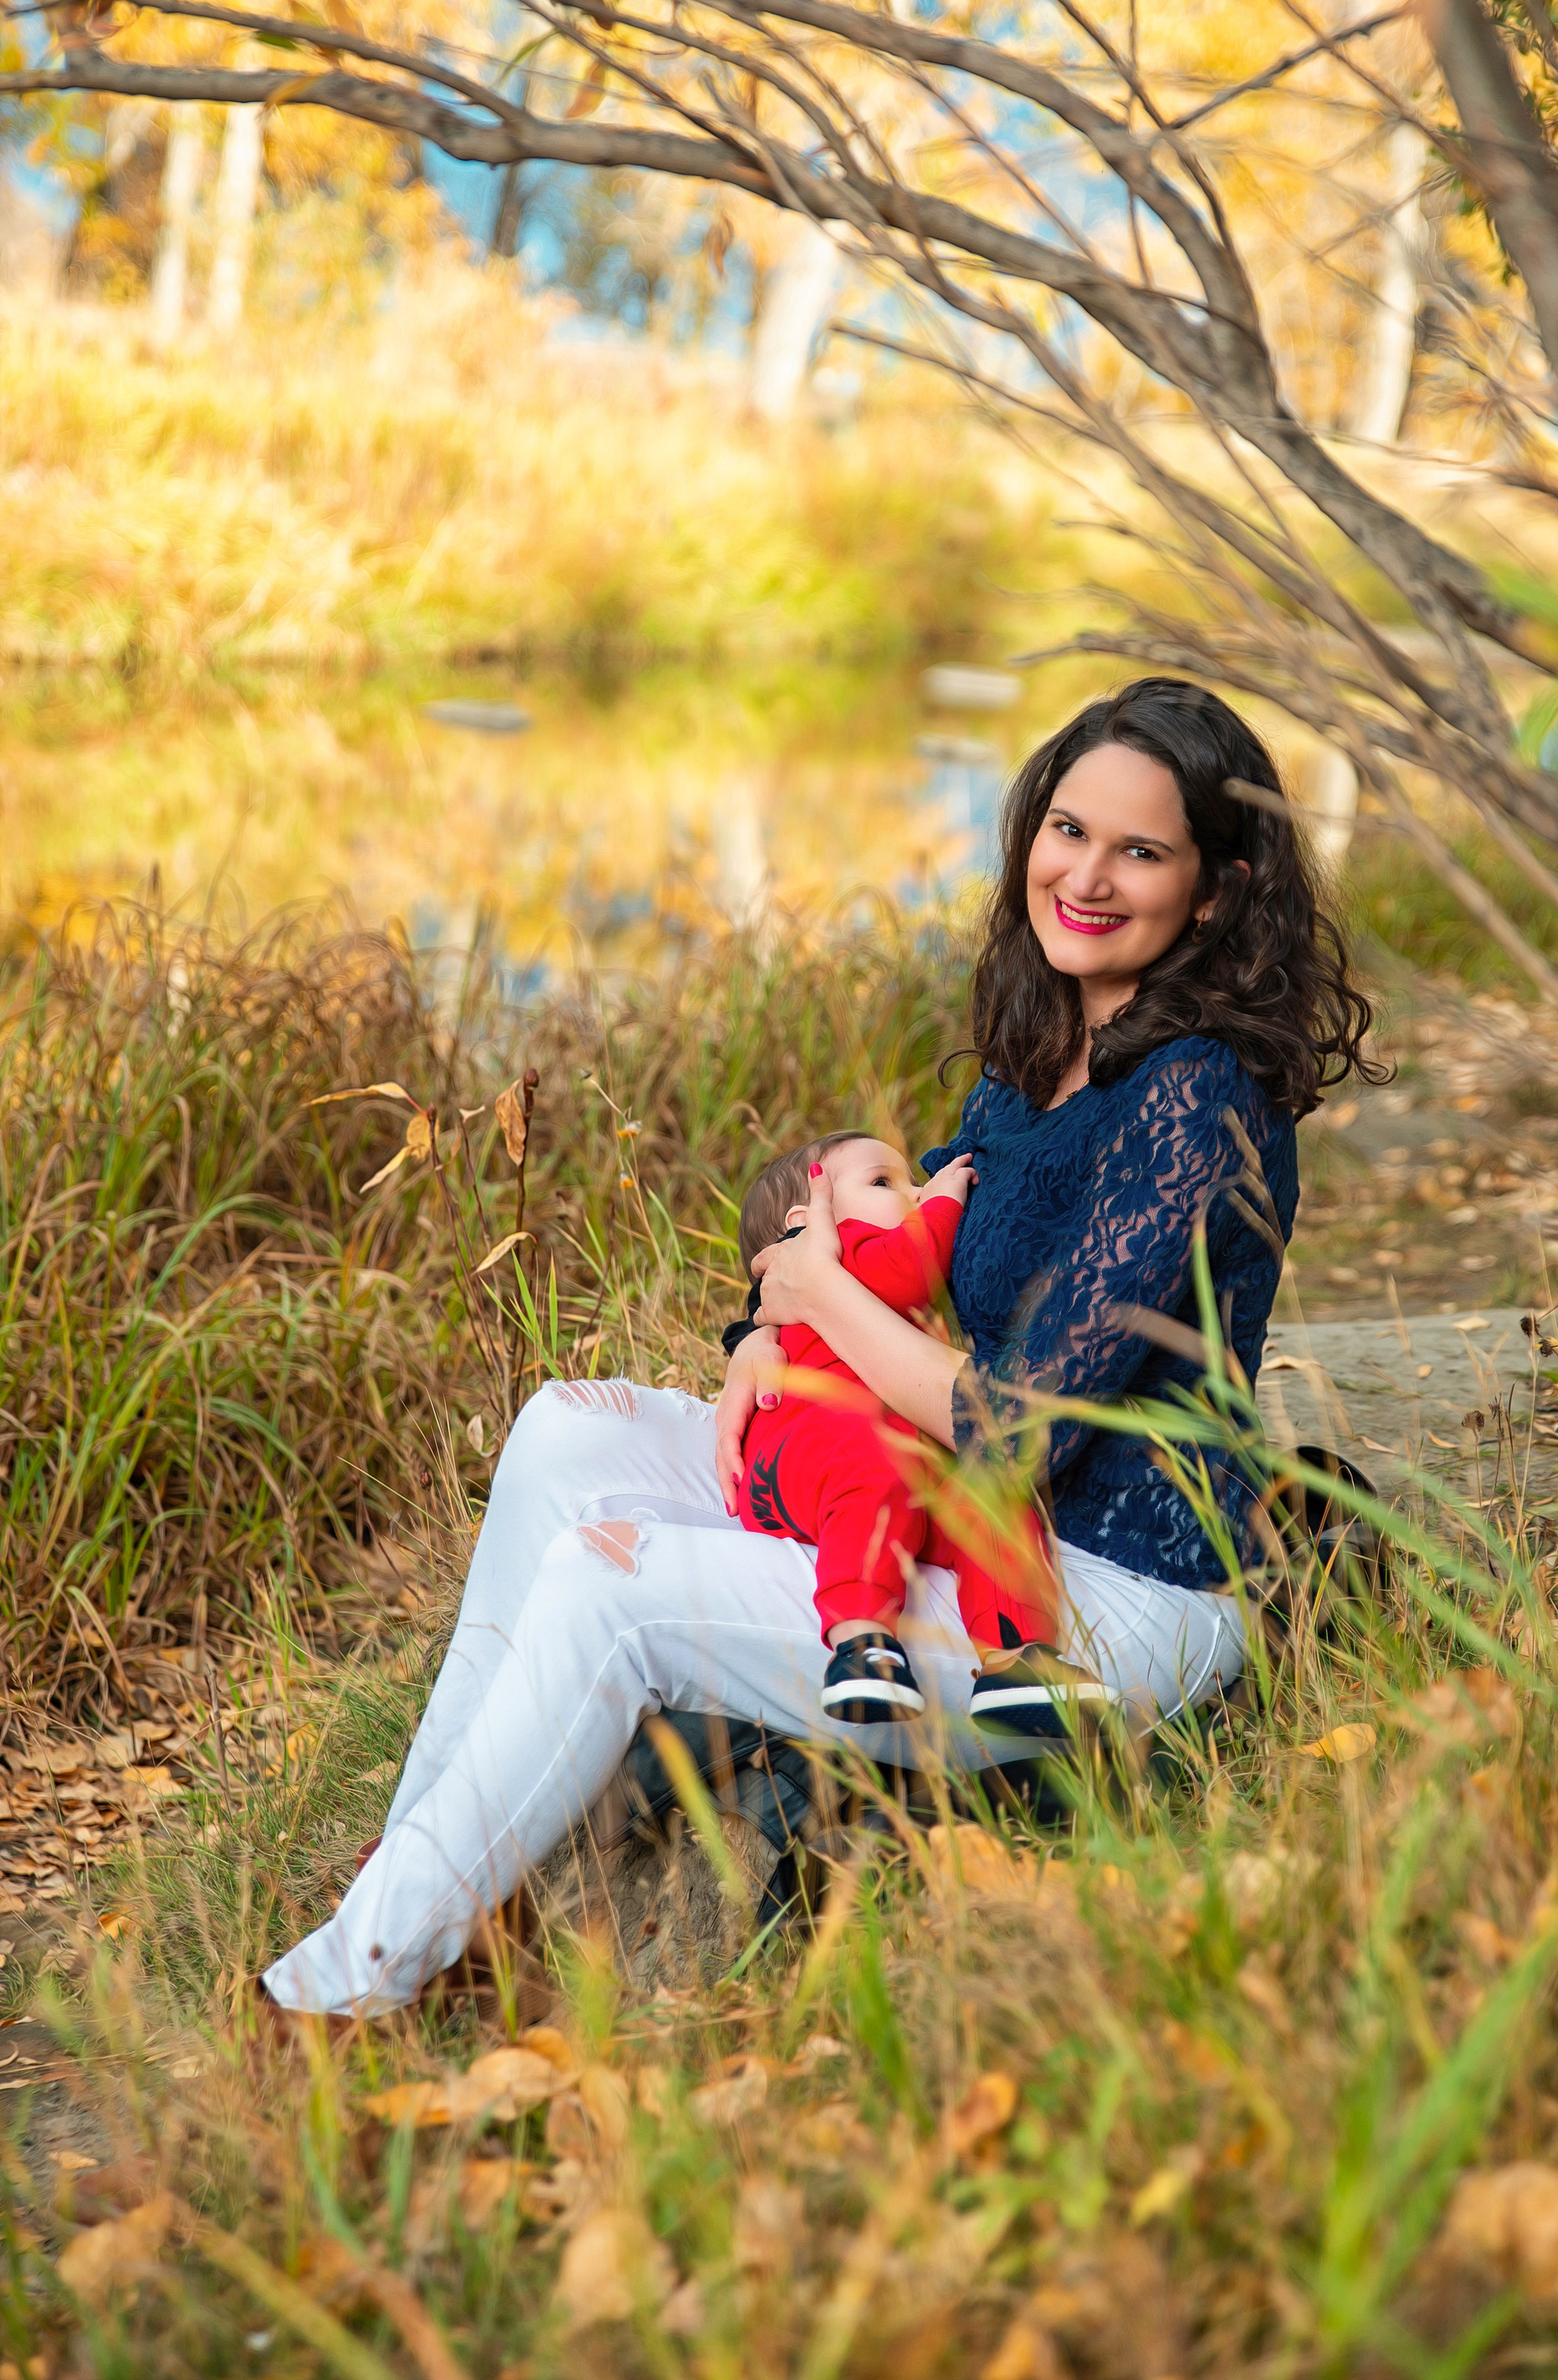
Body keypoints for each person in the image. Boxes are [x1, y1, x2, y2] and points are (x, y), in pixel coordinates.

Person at [263, 676, 1377, 2016]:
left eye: (1140, 850)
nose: (1085, 874)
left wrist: (815, 1302)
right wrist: (760, 1333)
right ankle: (427, 1868)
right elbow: (882, 1243)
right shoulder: (1042, 1049)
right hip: (948, 1505)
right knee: (569, 1429)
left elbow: (1018, 1428)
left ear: (1212, 890)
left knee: (612, 1592)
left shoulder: (1196, 1098)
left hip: (1098, 1595)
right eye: (1069, 829)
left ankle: (340, 1998)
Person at [729, 1129, 1113, 1737]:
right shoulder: (840, 1250)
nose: (911, 1191)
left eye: (911, 1181)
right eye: (884, 1182)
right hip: (806, 1450)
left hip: (901, 1452)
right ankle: (861, 1641)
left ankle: (1015, 1658)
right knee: (874, 1461)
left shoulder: (838, 1264)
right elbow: (910, 1270)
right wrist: (944, 1200)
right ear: (805, 1221)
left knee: (991, 1493)